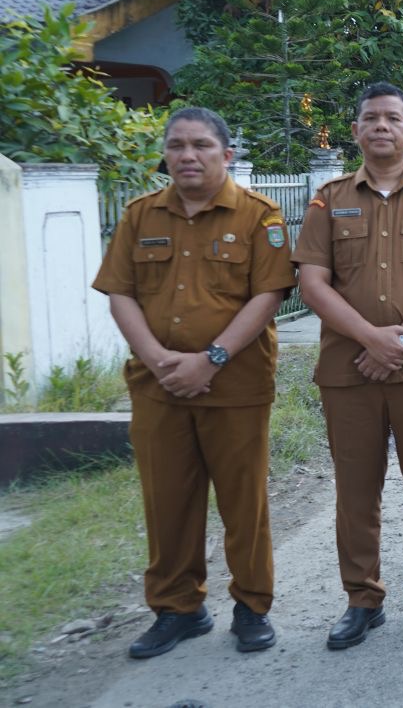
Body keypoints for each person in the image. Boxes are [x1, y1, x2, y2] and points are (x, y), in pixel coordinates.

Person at [93, 107, 296, 658]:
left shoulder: (259, 216)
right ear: (165, 154)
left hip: (235, 385)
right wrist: (158, 358)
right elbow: (120, 293)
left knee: (243, 502)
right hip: (157, 386)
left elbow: (269, 294)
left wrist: (211, 358)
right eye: (177, 145)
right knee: (167, 501)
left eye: (201, 145)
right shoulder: (140, 217)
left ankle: (252, 606)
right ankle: (177, 608)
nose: (187, 155)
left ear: (226, 155)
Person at [293, 83, 403, 649]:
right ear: (355, 131)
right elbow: (311, 281)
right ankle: (361, 597)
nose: (381, 126)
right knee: (355, 487)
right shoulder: (329, 198)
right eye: (370, 118)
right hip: (350, 370)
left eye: (393, 118)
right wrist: (371, 338)